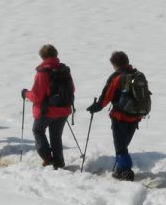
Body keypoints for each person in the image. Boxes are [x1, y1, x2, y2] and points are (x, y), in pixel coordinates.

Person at [87, 51, 145, 181]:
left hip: (120, 117)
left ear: (115, 64)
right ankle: (120, 170)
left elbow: (106, 97)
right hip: (135, 117)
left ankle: (126, 170)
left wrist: (96, 107)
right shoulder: (137, 75)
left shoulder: (117, 77)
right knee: (123, 145)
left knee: (120, 146)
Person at [22, 44, 74, 169]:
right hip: (64, 109)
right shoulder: (64, 70)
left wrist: (25, 93)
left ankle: (47, 157)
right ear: (56, 54)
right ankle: (59, 162)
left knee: (38, 130)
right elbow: (72, 89)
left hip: (47, 110)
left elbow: (37, 96)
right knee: (56, 136)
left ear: (43, 57)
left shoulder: (43, 71)